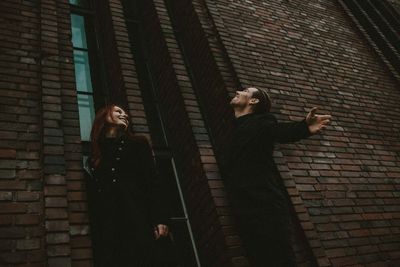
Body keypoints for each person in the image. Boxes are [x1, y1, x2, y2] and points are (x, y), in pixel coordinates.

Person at [224, 87, 331, 267]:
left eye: (245, 90)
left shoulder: (262, 122)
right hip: (244, 210)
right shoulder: (236, 130)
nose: (238, 91)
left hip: (266, 208)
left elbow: (279, 131)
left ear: (254, 101)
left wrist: (304, 127)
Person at [84, 104, 175, 267]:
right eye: (118, 111)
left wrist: (160, 218)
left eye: (125, 113)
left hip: (139, 217)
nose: (124, 115)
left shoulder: (138, 143)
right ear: (104, 116)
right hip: (112, 228)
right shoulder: (95, 158)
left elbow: (153, 182)